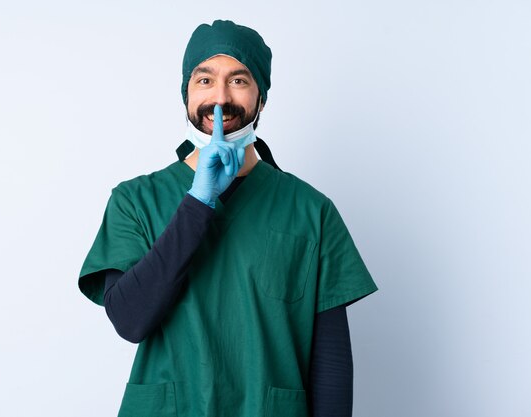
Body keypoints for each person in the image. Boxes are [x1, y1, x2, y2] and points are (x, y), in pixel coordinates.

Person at [78, 19, 377, 417]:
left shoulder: (310, 211)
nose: (220, 98)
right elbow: (130, 321)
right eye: (204, 80)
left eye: (238, 80)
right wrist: (198, 201)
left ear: (262, 99)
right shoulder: (135, 201)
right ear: (185, 94)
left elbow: (331, 363)